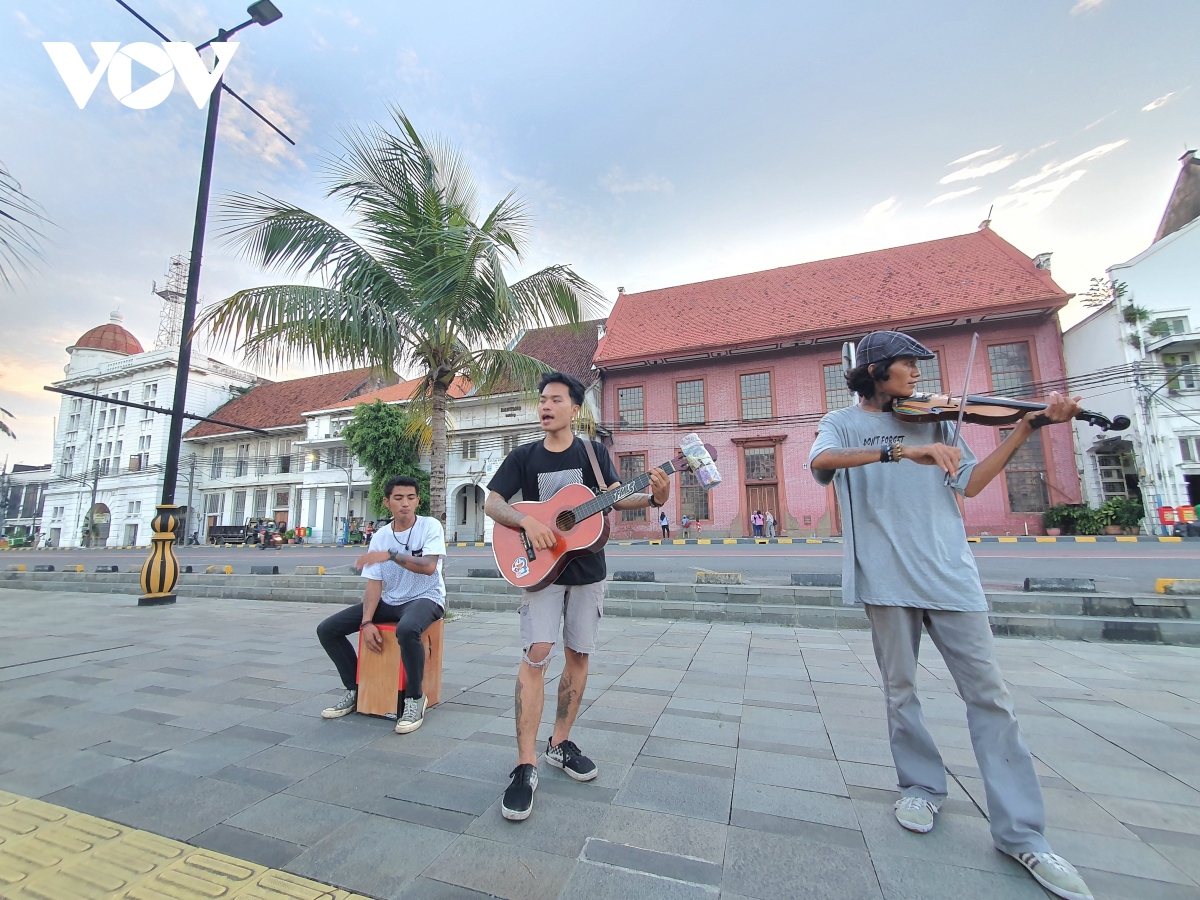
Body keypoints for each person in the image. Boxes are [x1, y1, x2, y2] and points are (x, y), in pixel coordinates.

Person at [808, 330, 1093, 900]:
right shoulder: (843, 422)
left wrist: (1024, 428)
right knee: (901, 690)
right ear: (876, 370)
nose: (918, 377)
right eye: (908, 367)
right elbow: (820, 463)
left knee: (990, 697)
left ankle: (1022, 833)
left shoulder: (938, 421)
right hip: (886, 580)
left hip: (951, 576)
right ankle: (920, 787)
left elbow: (970, 481)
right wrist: (897, 449)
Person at [485, 372, 670, 822]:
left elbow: (610, 498)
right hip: (542, 570)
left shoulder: (594, 452)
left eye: (554, 400)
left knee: (579, 654)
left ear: (575, 408)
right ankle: (525, 764)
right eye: (542, 400)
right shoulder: (523, 455)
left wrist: (652, 497)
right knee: (538, 652)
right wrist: (526, 523)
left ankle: (559, 744)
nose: (545, 407)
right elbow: (492, 502)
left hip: (587, 567)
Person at [316, 476, 446, 735]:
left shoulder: (430, 526)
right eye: (398, 498)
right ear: (387, 502)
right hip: (392, 600)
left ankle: (415, 698)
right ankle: (356, 688)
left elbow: (429, 567)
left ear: (418, 500)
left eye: (410, 498)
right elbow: (374, 583)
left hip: (427, 597)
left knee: (407, 629)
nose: (405, 504)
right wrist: (366, 622)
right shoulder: (381, 536)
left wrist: (392, 555)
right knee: (327, 629)